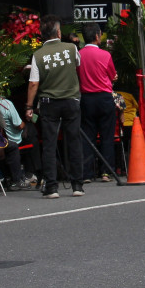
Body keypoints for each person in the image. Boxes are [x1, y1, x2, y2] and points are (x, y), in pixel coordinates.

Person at [25, 15, 84, 198]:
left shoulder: (38, 55)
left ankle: (52, 187)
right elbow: (77, 64)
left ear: (43, 35)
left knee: (49, 145)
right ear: (59, 32)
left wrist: (29, 105)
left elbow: (34, 83)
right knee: (73, 141)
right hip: (71, 100)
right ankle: (77, 185)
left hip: (49, 103)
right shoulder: (71, 48)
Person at [77, 24, 117, 183]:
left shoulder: (79, 55)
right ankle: (106, 171)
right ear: (97, 36)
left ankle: (86, 173)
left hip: (86, 99)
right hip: (104, 98)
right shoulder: (105, 55)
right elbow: (112, 75)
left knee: (88, 136)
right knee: (107, 135)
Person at [0, 93, 31, 189]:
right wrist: (25, 125)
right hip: (6, 139)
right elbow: (19, 125)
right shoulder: (5, 104)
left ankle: (9, 177)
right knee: (27, 138)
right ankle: (19, 178)